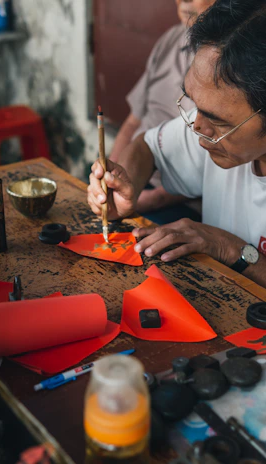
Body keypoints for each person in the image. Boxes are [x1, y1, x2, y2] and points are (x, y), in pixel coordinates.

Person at [88, 0, 266, 288]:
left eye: (217, 119)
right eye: (195, 105)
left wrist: (228, 248)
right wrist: (125, 185)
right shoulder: (212, 131)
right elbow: (148, 147)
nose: (196, 127)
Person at [109, 0, 215, 222]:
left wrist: (149, 199)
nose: (183, 0)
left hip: (181, 198)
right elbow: (132, 125)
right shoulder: (171, 39)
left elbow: (214, 164)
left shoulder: (229, 65)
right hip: (135, 177)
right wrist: (112, 176)